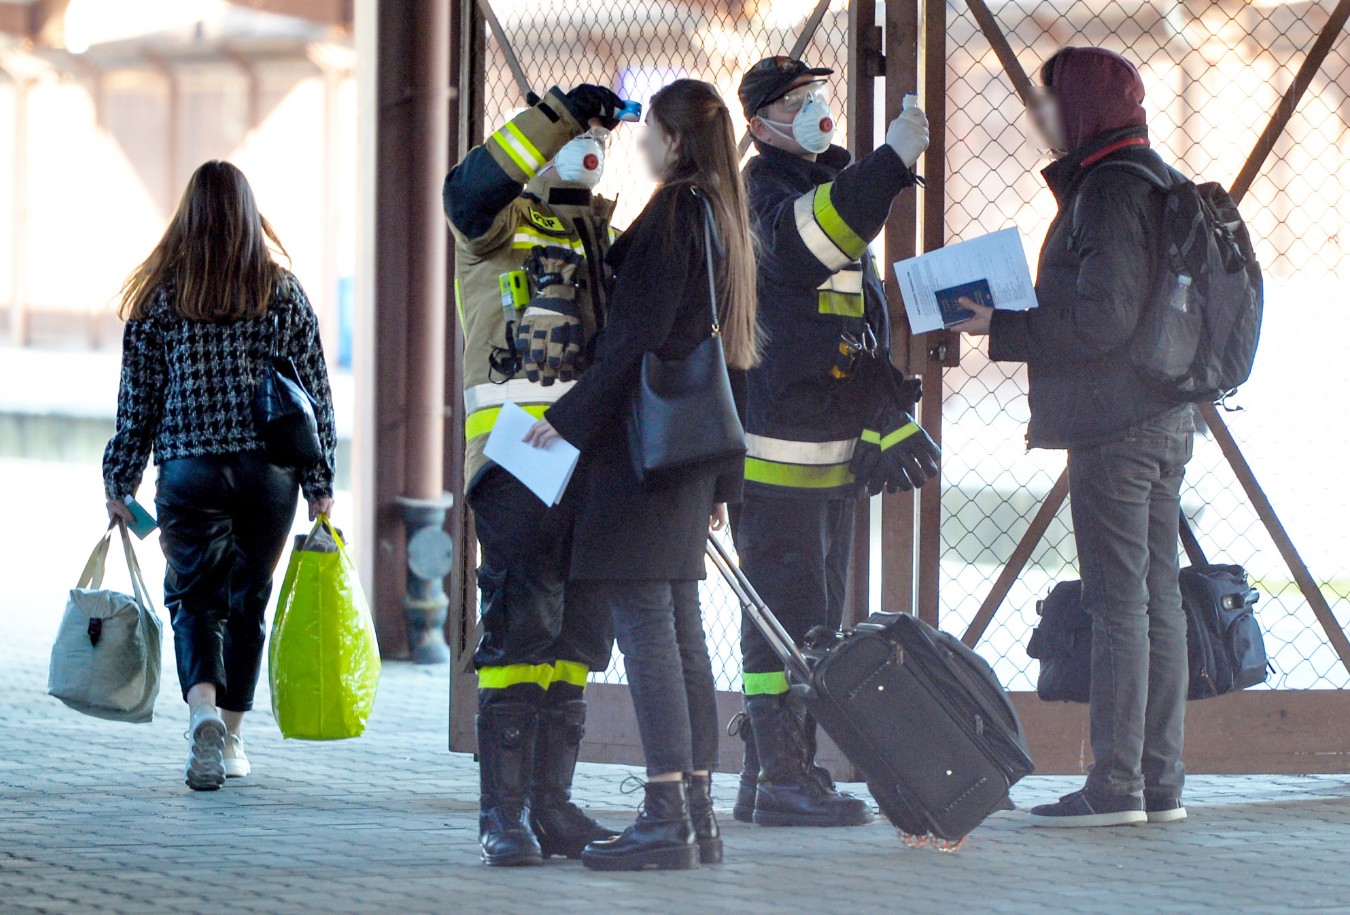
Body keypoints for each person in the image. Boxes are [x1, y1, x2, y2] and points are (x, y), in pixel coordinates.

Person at [954, 47, 1194, 827]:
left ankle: (1117, 784)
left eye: (1051, 102)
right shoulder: (1153, 177)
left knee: (1124, 604)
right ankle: (1158, 781)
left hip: (1118, 426)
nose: (1041, 116)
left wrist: (1002, 324)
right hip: (1160, 417)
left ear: (1084, 108)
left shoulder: (1111, 192)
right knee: (1156, 600)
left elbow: (1103, 318)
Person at [524, 78, 760, 872]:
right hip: (688, 454)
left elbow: (634, 343)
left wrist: (556, 431)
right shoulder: (720, 215)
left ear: (674, 137)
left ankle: (667, 814)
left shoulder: (672, 216)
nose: (642, 141)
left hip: (642, 453)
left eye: (649, 128)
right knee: (680, 628)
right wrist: (723, 481)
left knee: (648, 630)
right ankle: (694, 813)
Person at [730, 55, 939, 828]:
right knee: (780, 614)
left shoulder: (816, 185)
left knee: (811, 615)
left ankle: (780, 773)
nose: (816, 106)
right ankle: (780, 773)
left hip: (826, 445)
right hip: (781, 450)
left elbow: (850, 315)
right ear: (758, 124)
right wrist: (889, 164)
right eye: (794, 99)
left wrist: (881, 405)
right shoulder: (763, 195)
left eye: (816, 93)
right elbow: (810, 243)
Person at [102, 160, 336, 792]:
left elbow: (138, 402)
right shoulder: (280, 291)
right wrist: (319, 482)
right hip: (269, 474)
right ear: (246, 216)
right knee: (248, 601)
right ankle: (231, 738)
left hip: (187, 470)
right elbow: (313, 395)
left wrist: (119, 481)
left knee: (194, 598)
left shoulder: (160, 298)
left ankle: (201, 710)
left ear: (189, 217)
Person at [443, 84, 629, 866]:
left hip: (590, 464)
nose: (589, 143)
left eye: (598, 135)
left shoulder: (602, 236)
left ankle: (552, 804)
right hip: (518, 463)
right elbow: (470, 186)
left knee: (577, 636)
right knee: (521, 628)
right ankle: (505, 813)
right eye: (576, 133)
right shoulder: (495, 227)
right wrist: (555, 116)